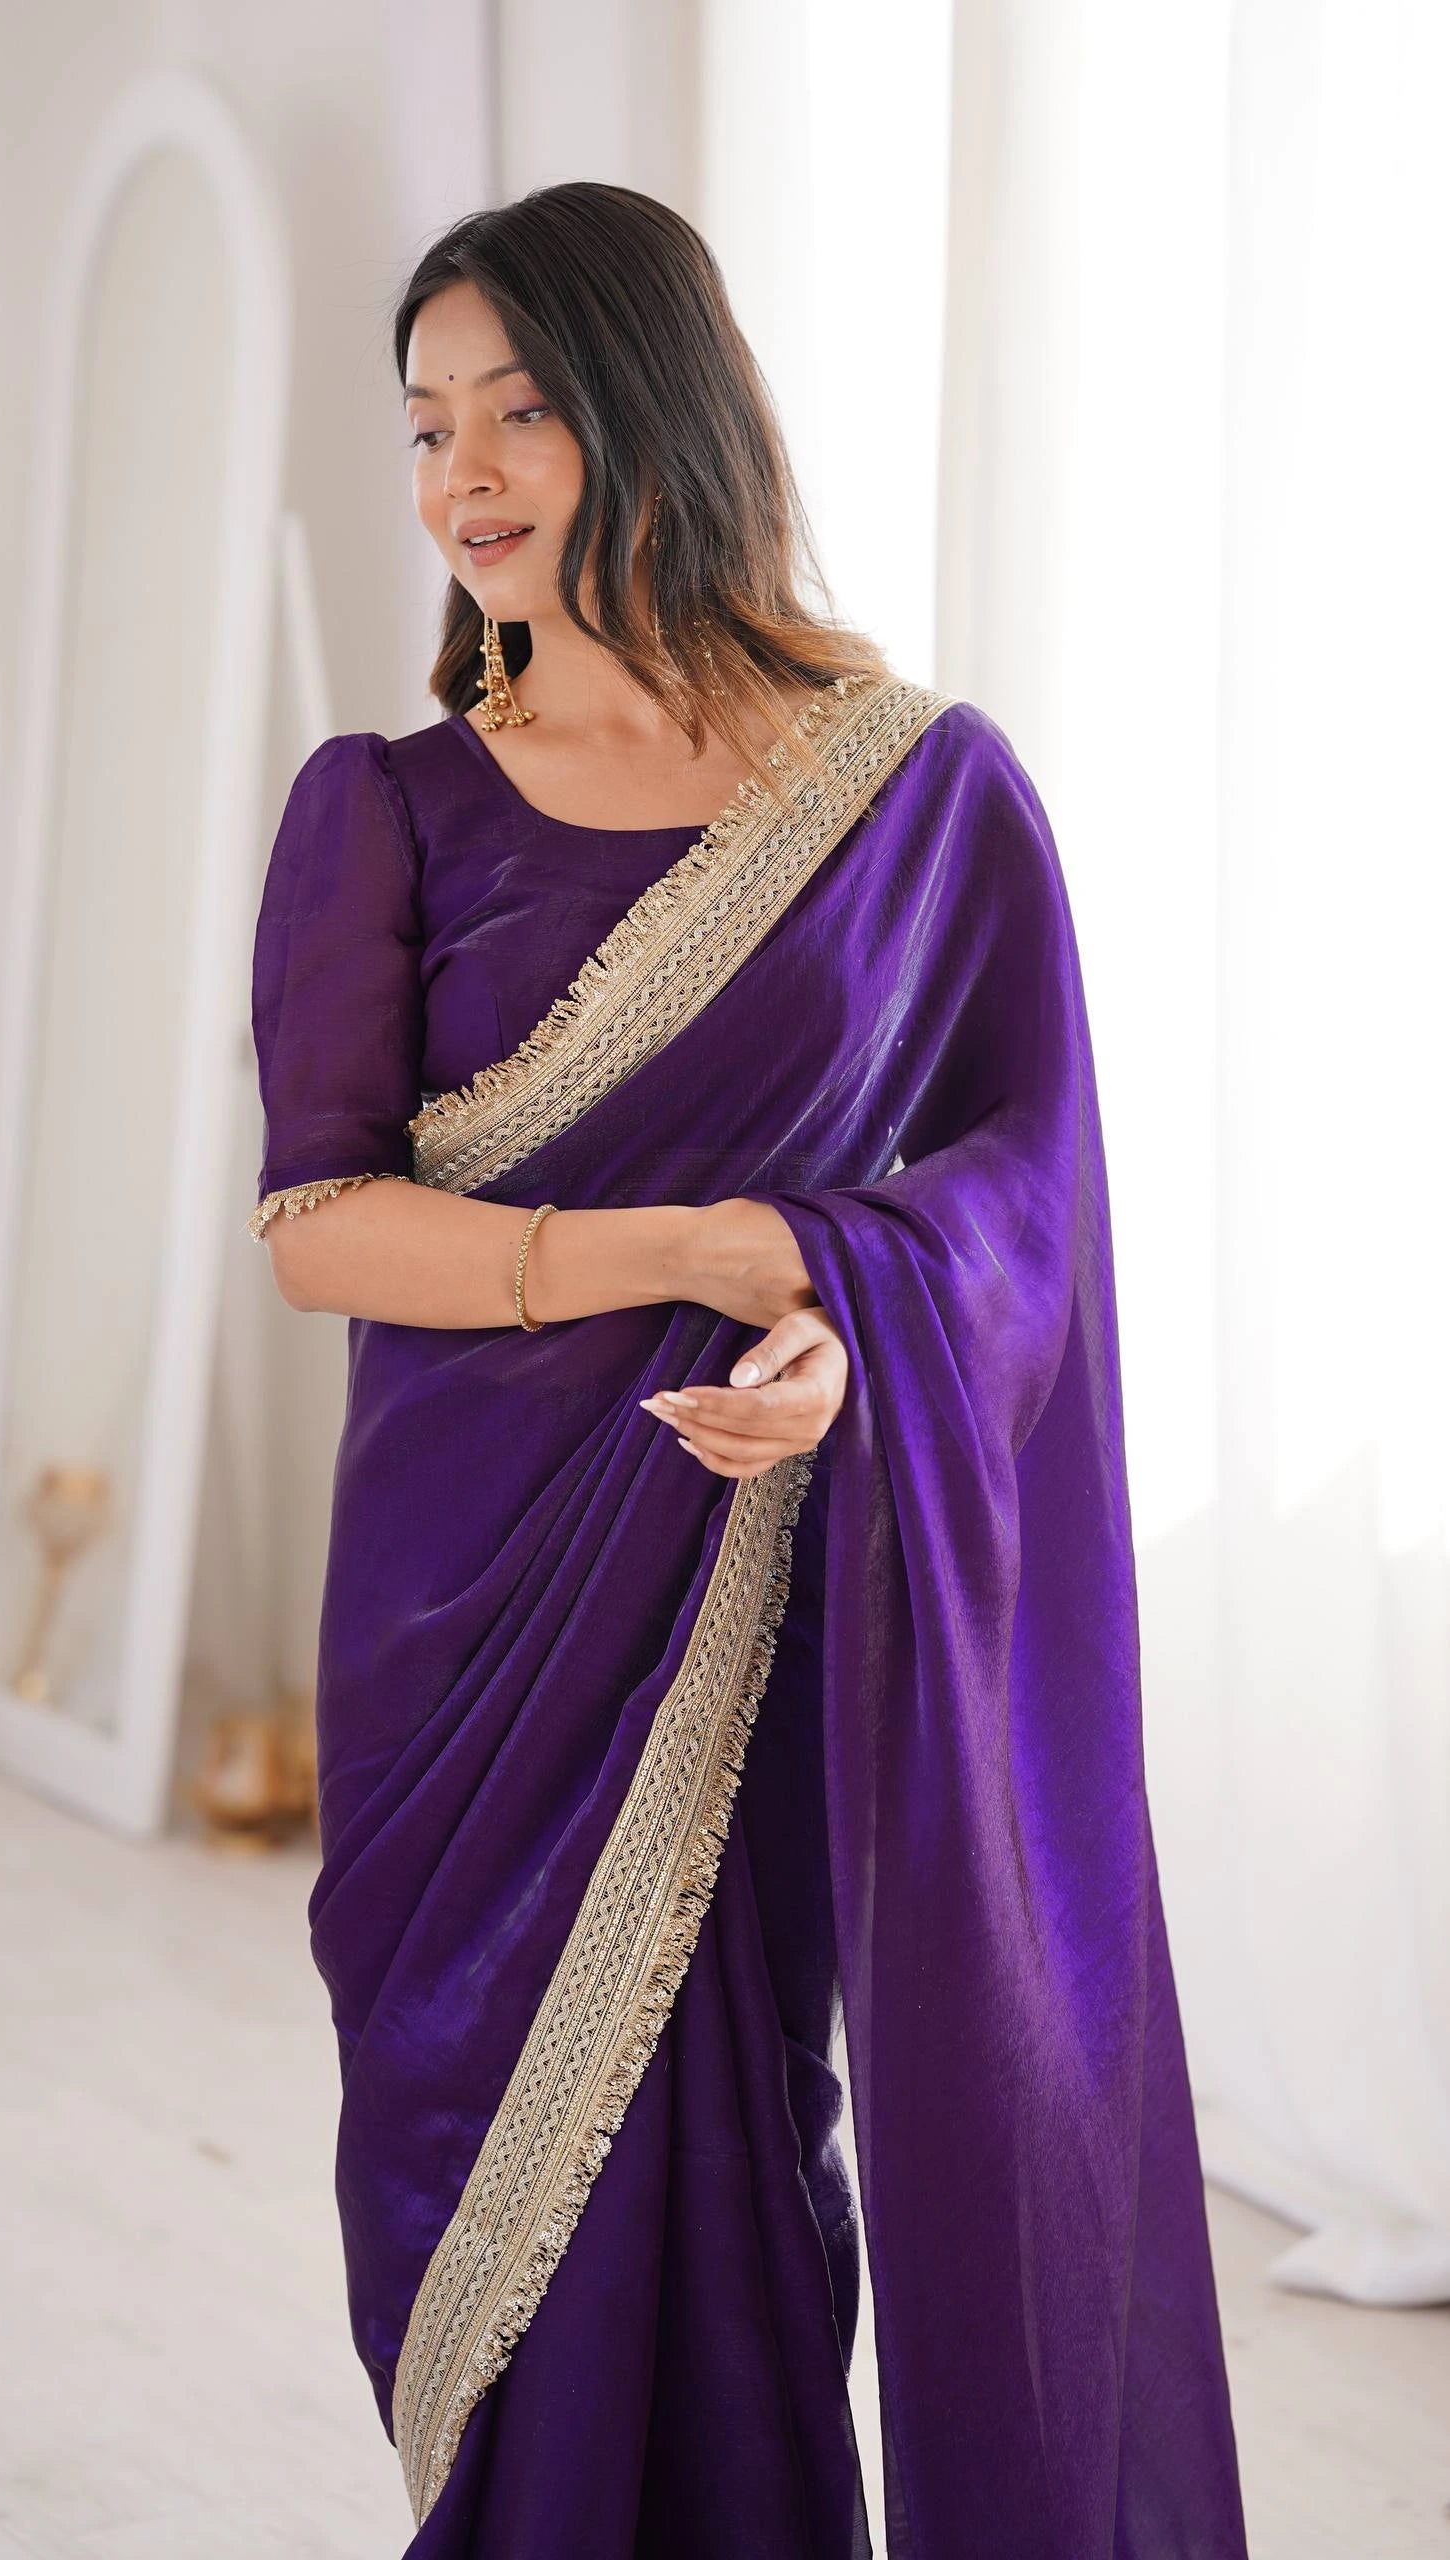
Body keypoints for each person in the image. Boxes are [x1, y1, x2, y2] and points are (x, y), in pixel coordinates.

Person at [247, 180, 1249, 2560]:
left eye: (514, 410)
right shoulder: (385, 806)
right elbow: (319, 1226)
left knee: (727, 2165)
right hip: (459, 1615)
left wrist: (835, 1319)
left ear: (649, 403)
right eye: (422, 425)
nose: (461, 473)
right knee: (470, 2183)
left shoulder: (913, 797)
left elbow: (1023, 1201)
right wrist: (698, 1244)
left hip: (753, 1586)